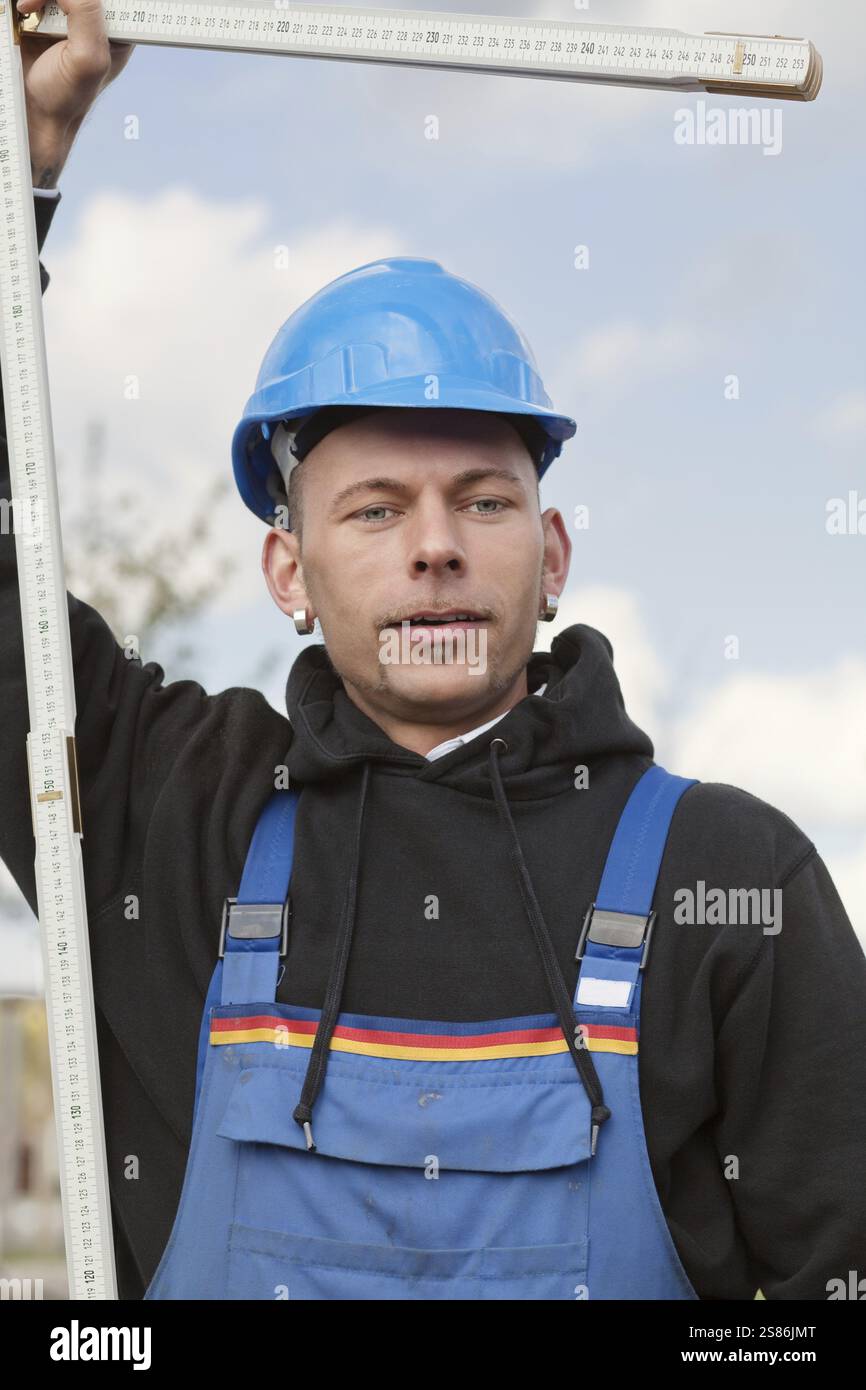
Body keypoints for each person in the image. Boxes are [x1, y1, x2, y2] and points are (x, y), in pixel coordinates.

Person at [2, 0, 865, 1302]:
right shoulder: (166, 812)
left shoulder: (727, 877)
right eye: (372, 509)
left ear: (552, 552)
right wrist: (22, 165)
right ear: (286, 569)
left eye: (480, 498)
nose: (434, 547)